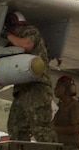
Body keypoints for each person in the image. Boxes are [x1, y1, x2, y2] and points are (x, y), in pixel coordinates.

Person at [3, 13, 58, 143]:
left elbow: (27, 44)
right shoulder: (14, 42)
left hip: (37, 87)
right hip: (22, 90)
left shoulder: (30, 31)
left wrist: (6, 35)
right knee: (15, 127)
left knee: (40, 127)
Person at [52, 75, 79, 150]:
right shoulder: (59, 106)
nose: (55, 90)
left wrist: (55, 128)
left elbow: (74, 128)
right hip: (59, 149)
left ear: (64, 89)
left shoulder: (74, 106)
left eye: (58, 87)